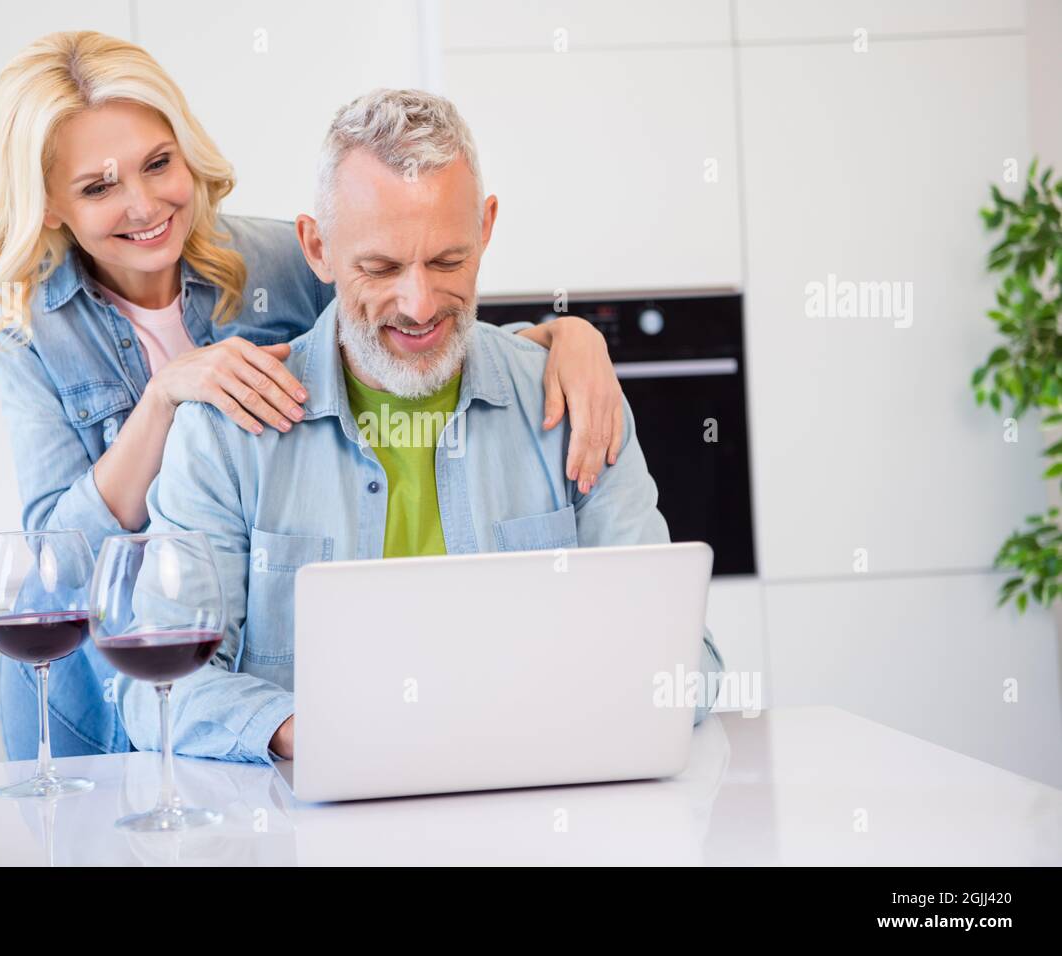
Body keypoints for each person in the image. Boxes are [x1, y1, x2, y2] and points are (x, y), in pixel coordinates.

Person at [0, 32, 630, 759]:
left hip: (225, 691)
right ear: (50, 204)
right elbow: (53, 566)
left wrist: (562, 339)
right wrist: (162, 401)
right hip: (94, 680)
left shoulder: (279, 260)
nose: (143, 204)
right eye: (99, 187)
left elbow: (411, 322)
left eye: (158, 164)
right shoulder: (29, 324)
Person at [121, 88, 724, 763]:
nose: (419, 304)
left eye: (447, 261)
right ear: (317, 247)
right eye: (380, 268)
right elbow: (156, 690)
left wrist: (541, 718)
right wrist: (313, 733)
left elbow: (687, 664)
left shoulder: (573, 404)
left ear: (486, 228)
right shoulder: (225, 435)